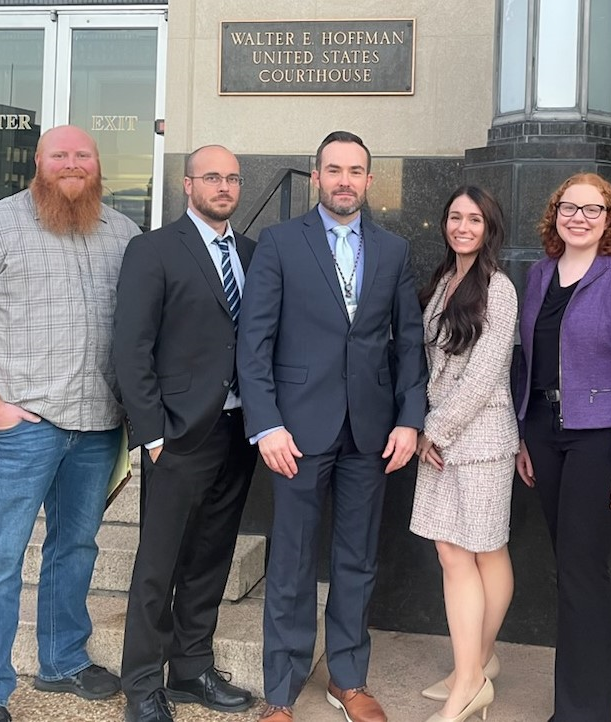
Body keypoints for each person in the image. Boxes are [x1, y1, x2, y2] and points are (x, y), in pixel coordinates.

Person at [0, 125, 138, 722]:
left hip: (99, 427)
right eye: (59, 155)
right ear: (38, 164)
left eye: (83, 155)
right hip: (21, 430)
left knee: (76, 548)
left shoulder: (123, 233)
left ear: (99, 165)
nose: (72, 164)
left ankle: (63, 660)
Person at [238, 130, 427, 722]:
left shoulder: (393, 250)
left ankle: (347, 677)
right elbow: (254, 340)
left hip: (370, 433)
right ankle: (281, 692)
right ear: (316, 176)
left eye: (356, 170)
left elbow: (409, 345)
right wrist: (265, 424)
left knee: (357, 557)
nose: (345, 180)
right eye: (334, 169)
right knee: (291, 560)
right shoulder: (279, 242)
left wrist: (410, 420)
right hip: (294, 431)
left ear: (370, 181)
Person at [114, 145, 259, 722]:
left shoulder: (251, 252)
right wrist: (149, 432)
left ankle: (191, 669)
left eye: (232, 178)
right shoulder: (151, 250)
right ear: (188, 184)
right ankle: (143, 685)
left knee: (211, 557)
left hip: (236, 430)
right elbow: (131, 346)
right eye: (212, 177)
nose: (223, 186)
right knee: (160, 563)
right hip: (176, 435)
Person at [514, 173, 611, 721]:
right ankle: (597, 692)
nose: (578, 217)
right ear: (555, 215)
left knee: (582, 568)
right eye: (568, 208)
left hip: (601, 440)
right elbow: (526, 363)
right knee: (573, 565)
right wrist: (523, 435)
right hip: (544, 435)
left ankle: (580, 711)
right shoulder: (537, 275)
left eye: (592, 209)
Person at [409, 186, 519, 722]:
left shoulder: (498, 288)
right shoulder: (442, 281)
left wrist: (435, 429)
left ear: (488, 227)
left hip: (477, 440)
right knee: (454, 553)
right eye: (455, 216)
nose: (463, 226)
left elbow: (484, 374)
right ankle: (476, 666)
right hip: (440, 441)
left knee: (481, 550)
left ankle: (470, 678)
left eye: (474, 219)